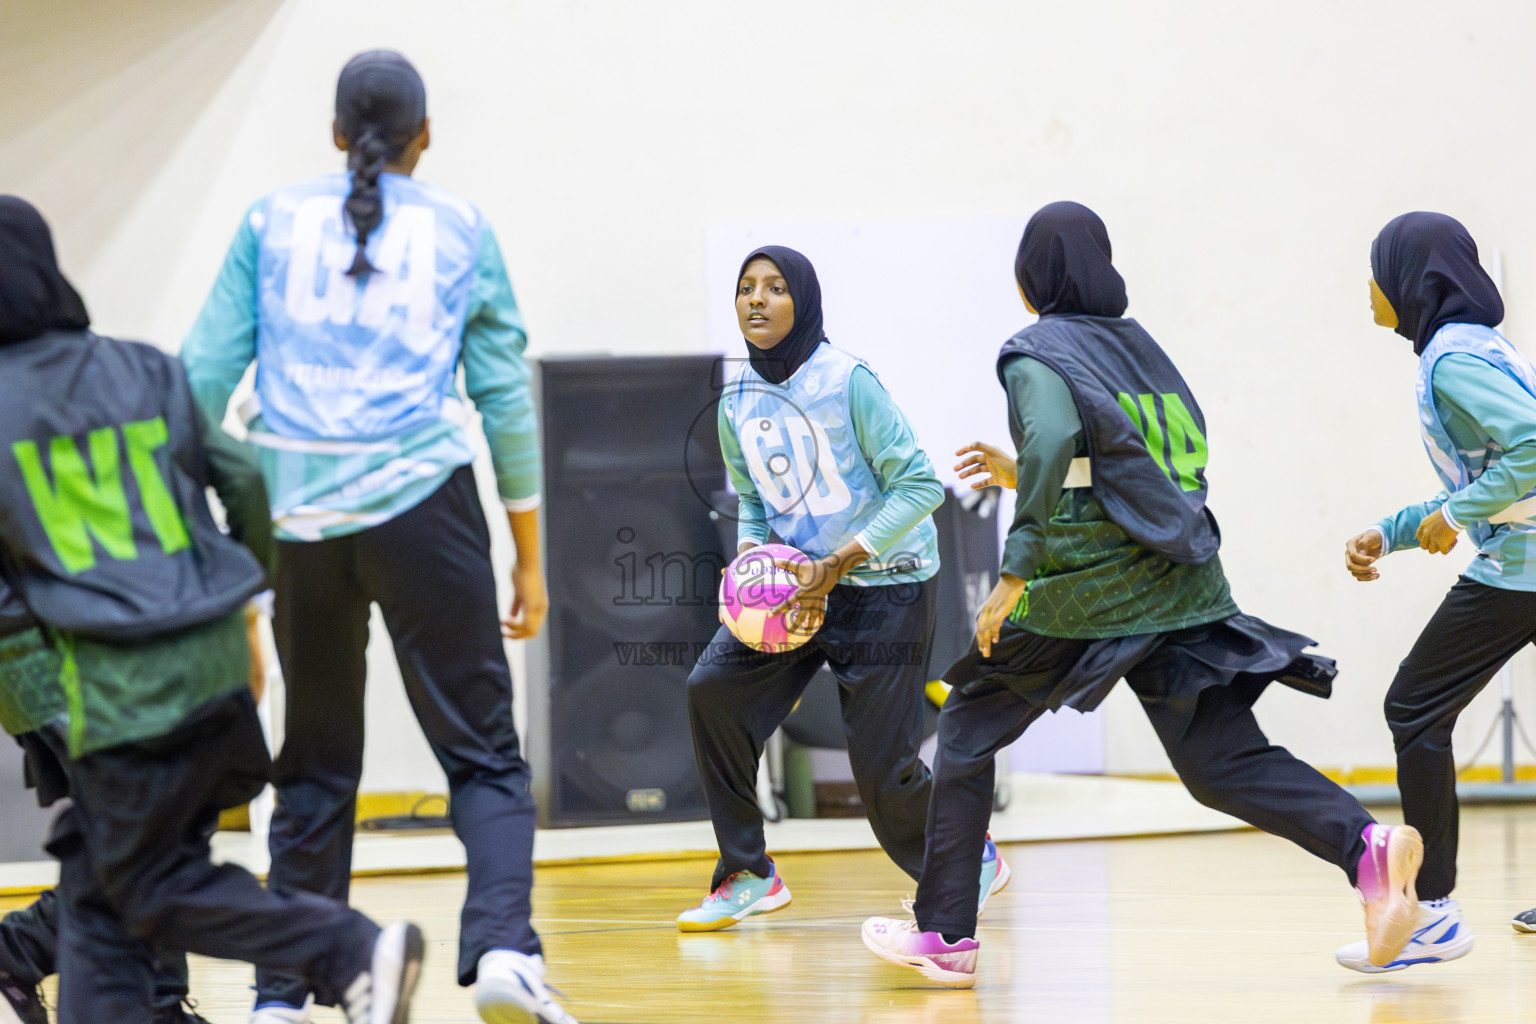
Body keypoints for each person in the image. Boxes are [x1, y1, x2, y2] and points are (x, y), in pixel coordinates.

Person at [861, 201, 1422, 988]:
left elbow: (1058, 438)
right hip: (1183, 583)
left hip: (1089, 595)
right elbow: (1137, 463)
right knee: (1219, 762)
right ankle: (1365, 850)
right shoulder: (1144, 352)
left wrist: (1015, 573)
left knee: (966, 726)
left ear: (1030, 282)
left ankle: (947, 934)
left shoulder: (1033, 350)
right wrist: (1024, 470)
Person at [179, 50, 570, 1024]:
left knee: (311, 761)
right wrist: (528, 552)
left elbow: (195, 384)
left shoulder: (269, 221)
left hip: (296, 520)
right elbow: (503, 405)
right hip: (423, 508)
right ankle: (504, 951)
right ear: (425, 137)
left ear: (334, 134)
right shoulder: (461, 228)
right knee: (482, 755)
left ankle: (280, 994)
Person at [0, 195, 422, 1024]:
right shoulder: (148, 366)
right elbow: (247, 480)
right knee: (98, 896)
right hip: (216, 659)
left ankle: (344, 951)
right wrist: (242, 597)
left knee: (152, 890)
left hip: (110, 689)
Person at [678, 245, 1010, 932]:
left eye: (774, 287)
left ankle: (966, 858)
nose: (757, 300)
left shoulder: (849, 381)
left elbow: (919, 486)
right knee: (712, 691)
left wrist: (843, 559)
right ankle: (748, 872)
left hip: (884, 584)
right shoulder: (735, 397)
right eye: (746, 288)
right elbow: (753, 496)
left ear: (804, 300)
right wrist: (750, 564)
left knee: (881, 768)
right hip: (797, 590)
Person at [1343, 211, 1536, 967]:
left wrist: (1455, 513)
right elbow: (1496, 474)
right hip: (1520, 556)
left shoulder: (1452, 360)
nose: (1368, 288)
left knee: (1414, 707)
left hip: (1522, 568)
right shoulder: (1480, 348)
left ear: (1410, 281)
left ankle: (1436, 915)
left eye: (1376, 271)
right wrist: (1391, 531)